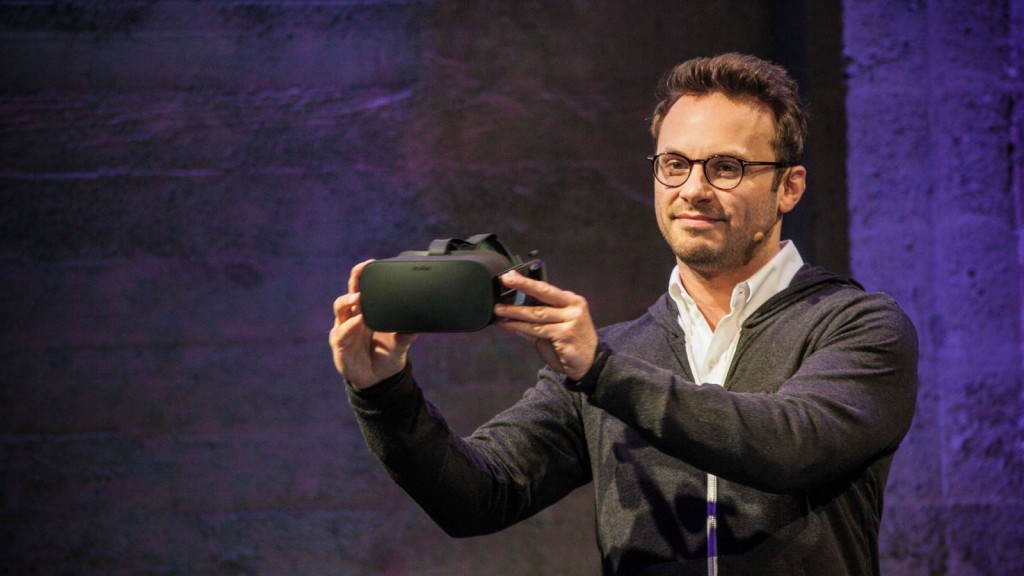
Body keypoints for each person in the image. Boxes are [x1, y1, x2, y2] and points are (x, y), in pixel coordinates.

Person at [330, 53, 918, 575]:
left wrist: (603, 372)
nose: (693, 189)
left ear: (789, 187)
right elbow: (478, 497)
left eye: (726, 167)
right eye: (675, 164)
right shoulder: (616, 355)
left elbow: (791, 445)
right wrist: (383, 393)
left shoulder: (856, 325)